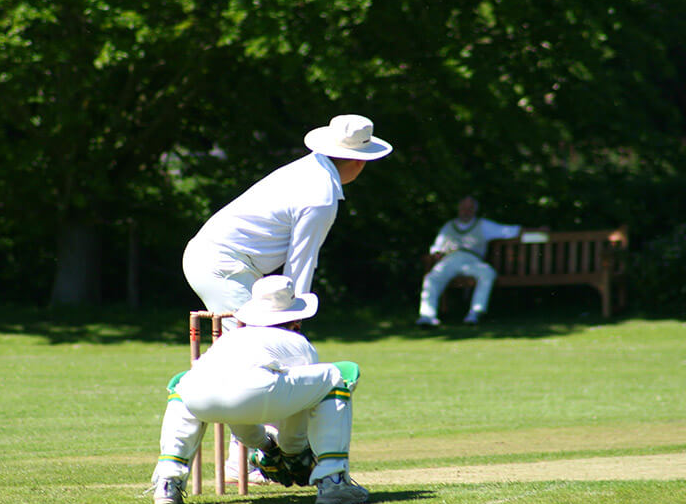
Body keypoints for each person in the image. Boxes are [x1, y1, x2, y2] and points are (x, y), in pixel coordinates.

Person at [182, 114, 392, 482]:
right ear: (359, 162)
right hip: (223, 266)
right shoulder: (321, 196)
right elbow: (300, 265)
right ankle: (249, 461)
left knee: (253, 361)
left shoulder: (307, 170)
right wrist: (291, 322)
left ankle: (247, 458)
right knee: (254, 360)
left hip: (217, 260)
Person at [151, 275, 368, 504]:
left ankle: (167, 482)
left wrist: (266, 446)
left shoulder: (231, 337)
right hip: (253, 395)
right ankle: (333, 481)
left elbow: (234, 402)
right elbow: (299, 406)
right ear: (296, 322)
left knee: (184, 388)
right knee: (335, 377)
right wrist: (293, 452)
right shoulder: (298, 342)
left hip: (196, 392)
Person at [416, 196, 524, 327]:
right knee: (432, 278)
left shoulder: (483, 224)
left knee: (487, 273)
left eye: (470, 208)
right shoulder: (449, 226)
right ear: (458, 209)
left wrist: (538, 231)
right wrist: (437, 253)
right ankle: (427, 316)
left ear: (475, 210)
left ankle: (475, 313)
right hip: (450, 259)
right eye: (463, 208)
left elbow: (510, 231)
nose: (466, 211)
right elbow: (436, 246)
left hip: (472, 260)